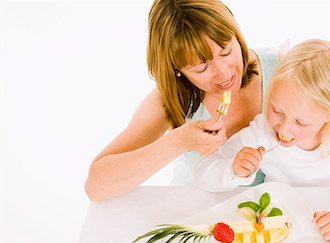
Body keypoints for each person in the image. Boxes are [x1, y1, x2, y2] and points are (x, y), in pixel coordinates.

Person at [84, 0, 281, 201]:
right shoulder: (172, 99)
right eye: (201, 68)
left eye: (227, 51)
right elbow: (96, 187)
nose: (224, 74)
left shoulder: (283, 68)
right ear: (177, 70)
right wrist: (178, 141)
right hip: (195, 217)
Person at [194, 39, 330, 243]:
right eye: (277, 110)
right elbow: (203, 173)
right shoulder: (263, 131)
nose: (283, 129)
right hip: (279, 227)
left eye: (301, 122)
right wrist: (233, 169)